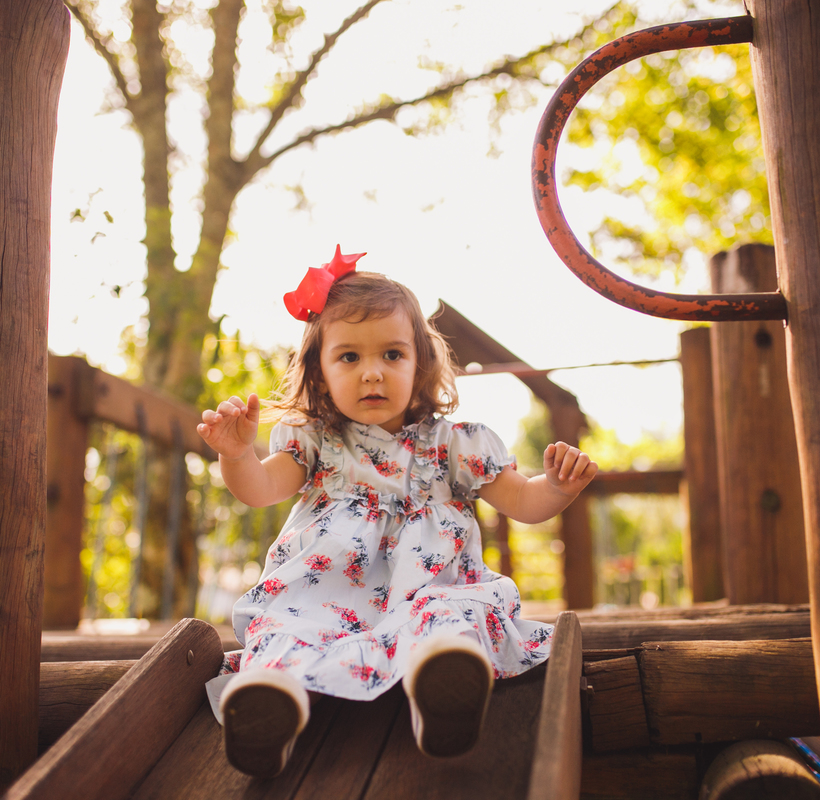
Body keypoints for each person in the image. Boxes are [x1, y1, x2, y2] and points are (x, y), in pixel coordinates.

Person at [197, 246, 597, 778]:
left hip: (426, 594)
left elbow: (522, 499)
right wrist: (237, 454)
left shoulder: (454, 444)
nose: (372, 374)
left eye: (391, 355)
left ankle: (441, 688)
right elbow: (260, 488)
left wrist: (558, 487)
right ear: (319, 374)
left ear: (420, 364)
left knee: (453, 616)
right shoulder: (315, 443)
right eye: (349, 357)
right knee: (288, 633)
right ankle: (271, 703)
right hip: (322, 598)